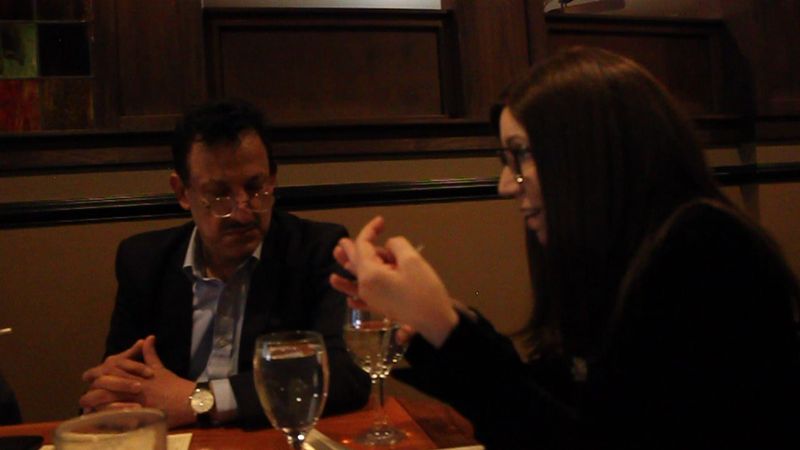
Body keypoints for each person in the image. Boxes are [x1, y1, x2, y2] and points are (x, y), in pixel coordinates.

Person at [330, 47, 800, 449]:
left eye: (521, 154)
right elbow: (555, 400)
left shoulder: (709, 254)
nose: (505, 185)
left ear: (589, 152)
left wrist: (443, 326)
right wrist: (433, 320)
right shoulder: (620, 254)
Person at [80, 99, 370, 428]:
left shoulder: (317, 249)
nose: (243, 211)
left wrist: (201, 400)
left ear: (273, 179)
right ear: (182, 192)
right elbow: (123, 377)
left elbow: (346, 374)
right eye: (219, 193)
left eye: (255, 188)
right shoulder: (143, 261)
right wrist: (112, 391)